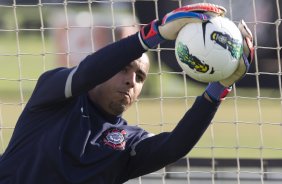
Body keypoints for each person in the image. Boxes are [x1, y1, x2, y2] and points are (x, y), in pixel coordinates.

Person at [0, 3, 253, 184]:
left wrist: (220, 88)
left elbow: (173, 146)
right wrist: (152, 35)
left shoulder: (129, 141)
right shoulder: (55, 95)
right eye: (123, 69)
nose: (131, 80)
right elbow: (88, 73)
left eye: (140, 77)